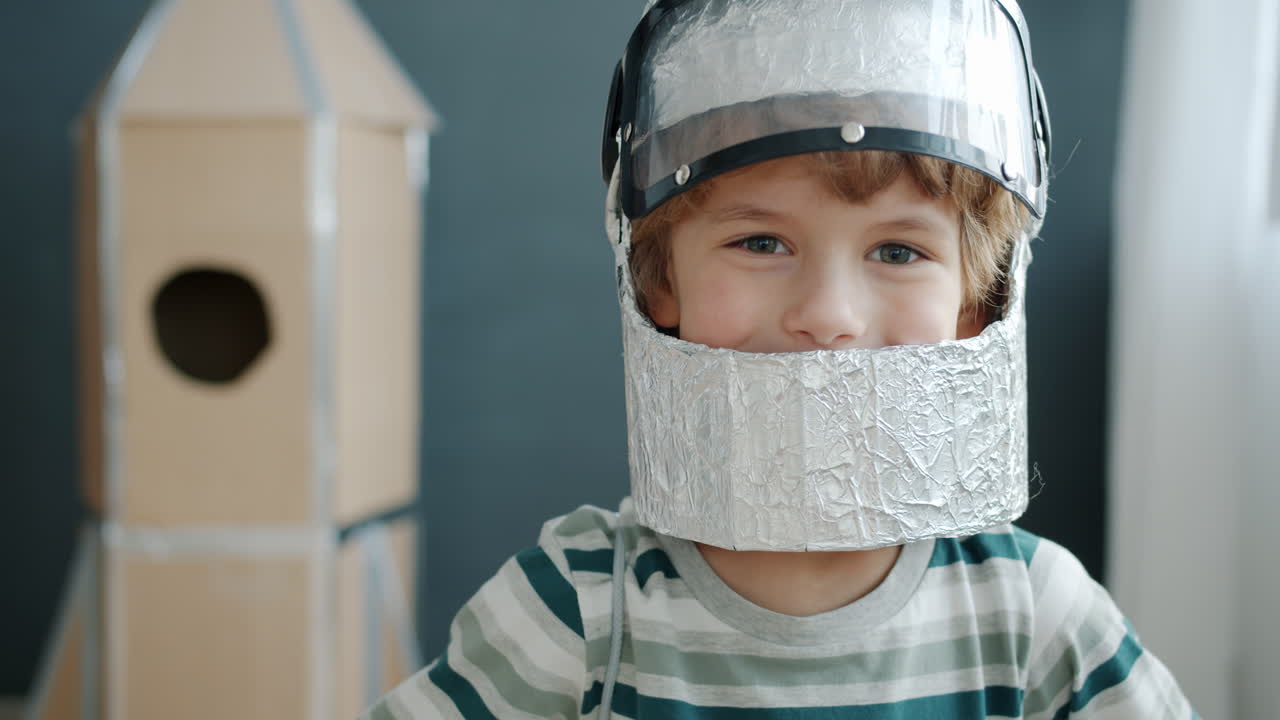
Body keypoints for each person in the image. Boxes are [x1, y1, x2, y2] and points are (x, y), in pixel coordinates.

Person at [361, 0, 1197, 717]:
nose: (828, 316)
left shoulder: (1032, 617)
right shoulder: (576, 611)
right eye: (761, 242)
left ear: (977, 302)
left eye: (898, 251)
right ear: (659, 281)